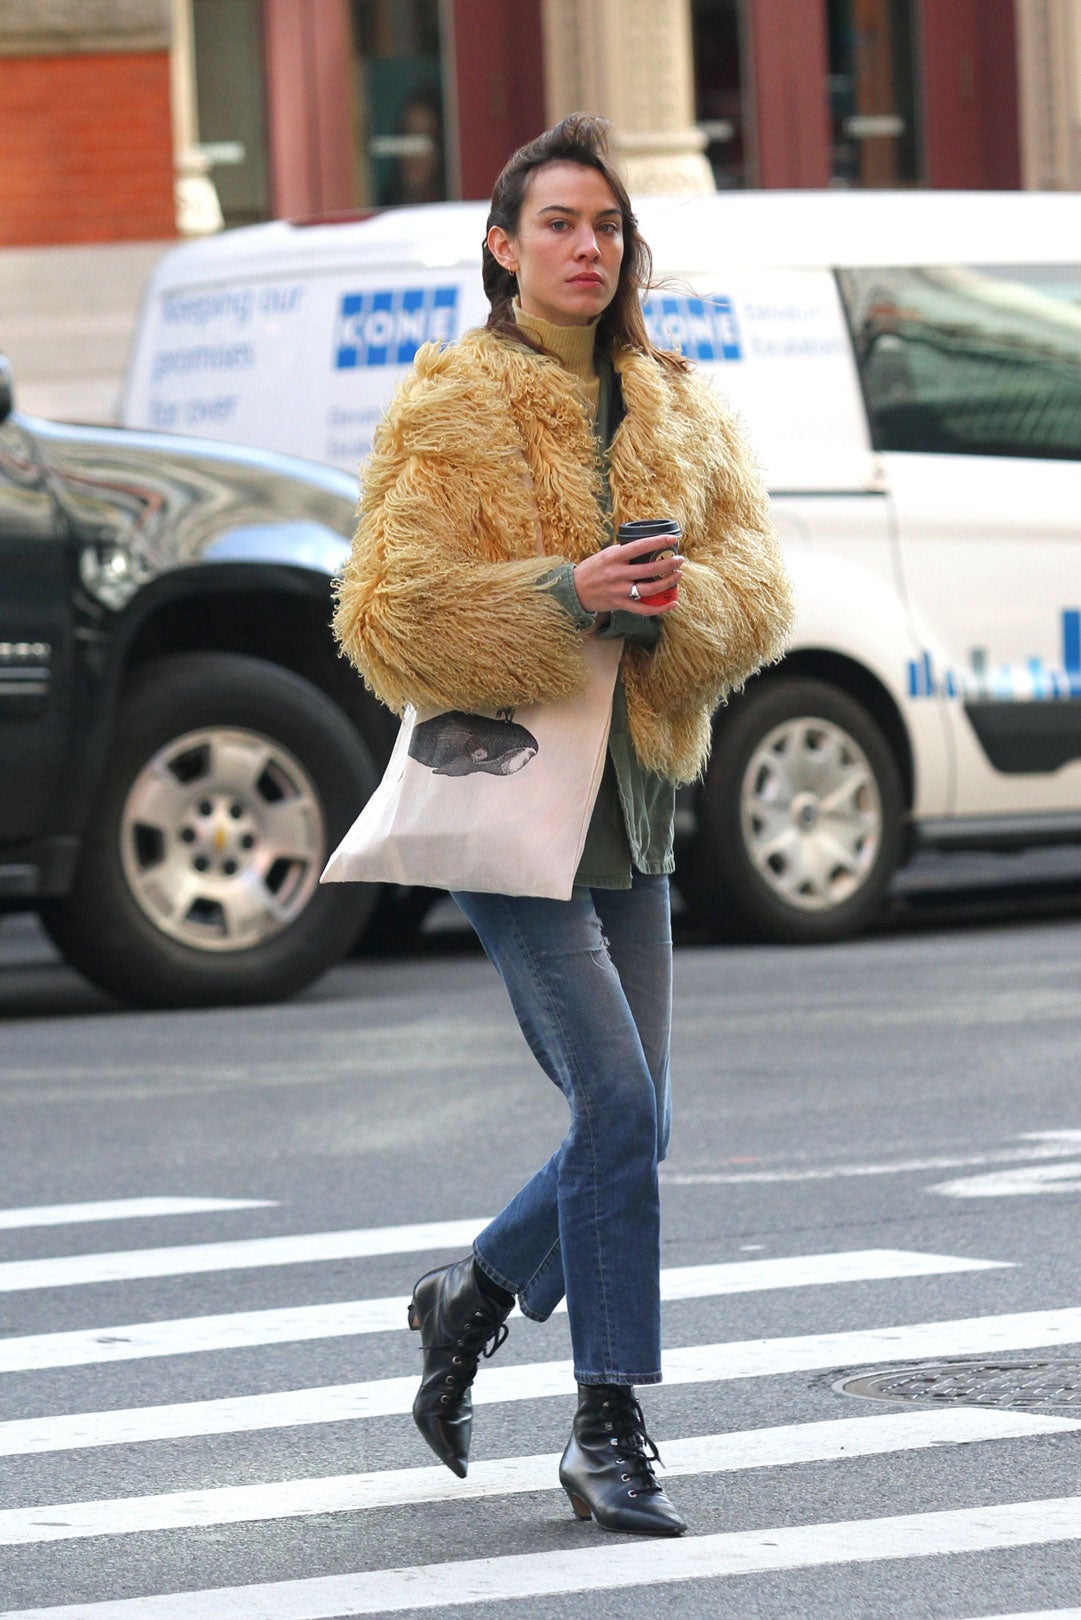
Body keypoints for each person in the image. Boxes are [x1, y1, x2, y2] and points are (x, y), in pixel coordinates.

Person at [333, 114, 793, 1537]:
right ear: (502, 245)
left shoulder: (677, 403)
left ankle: (469, 1297)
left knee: (636, 1122)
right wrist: (561, 594)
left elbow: (757, 587)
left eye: (604, 226)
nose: (585, 248)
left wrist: (676, 611)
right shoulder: (450, 406)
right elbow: (387, 615)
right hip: (514, 812)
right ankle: (608, 1428)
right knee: (614, 1106)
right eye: (556, 225)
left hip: (636, 807)